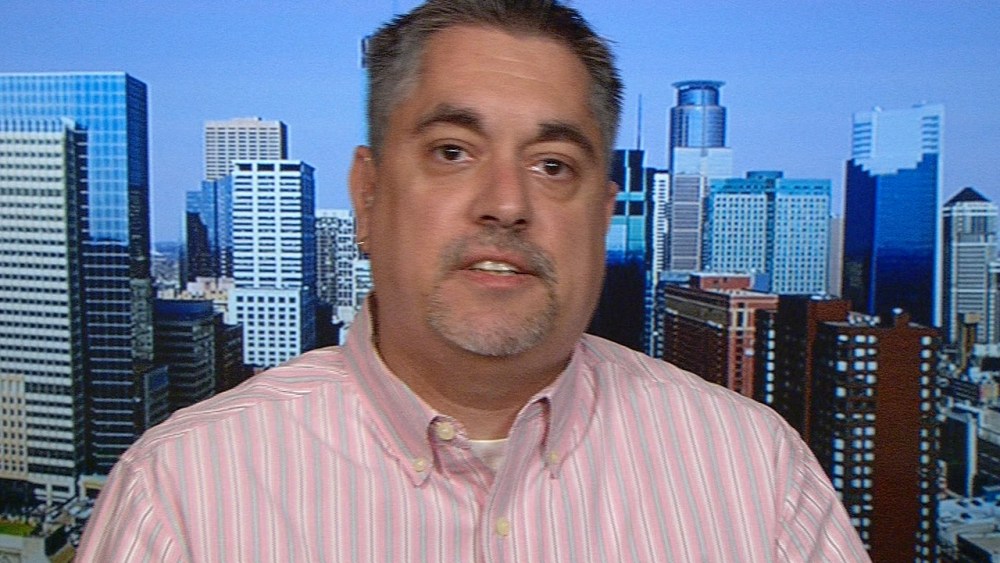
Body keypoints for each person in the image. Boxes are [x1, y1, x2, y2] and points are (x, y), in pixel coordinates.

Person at [77, 1, 869, 560]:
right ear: (368, 194)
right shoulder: (183, 494)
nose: (506, 202)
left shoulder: (754, 472)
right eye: (453, 151)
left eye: (553, 165)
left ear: (603, 216)